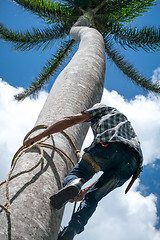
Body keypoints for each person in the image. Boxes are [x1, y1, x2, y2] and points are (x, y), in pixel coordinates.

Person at [24, 103, 143, 240]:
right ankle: (72, 230)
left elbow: (71, 120)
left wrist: (38, 136)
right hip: (131, 165)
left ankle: (74, 182)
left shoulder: (104, 108)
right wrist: (85, 190)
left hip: (108, 145)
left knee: (78, 175)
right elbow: (114, 165)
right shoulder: (128, 129)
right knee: (93, 199)